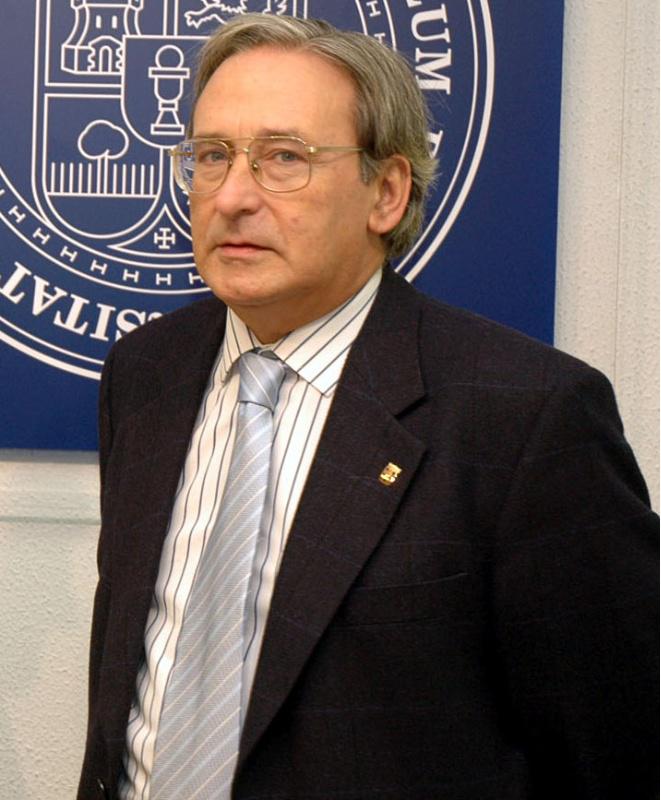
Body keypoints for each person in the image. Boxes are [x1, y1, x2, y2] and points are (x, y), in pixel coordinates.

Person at [78, 14, 658, 800]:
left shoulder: (529, 419)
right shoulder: (146, 372)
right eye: (211, 156)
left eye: (284, 158)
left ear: (386, 192)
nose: (232, 196)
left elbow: (610, 751)